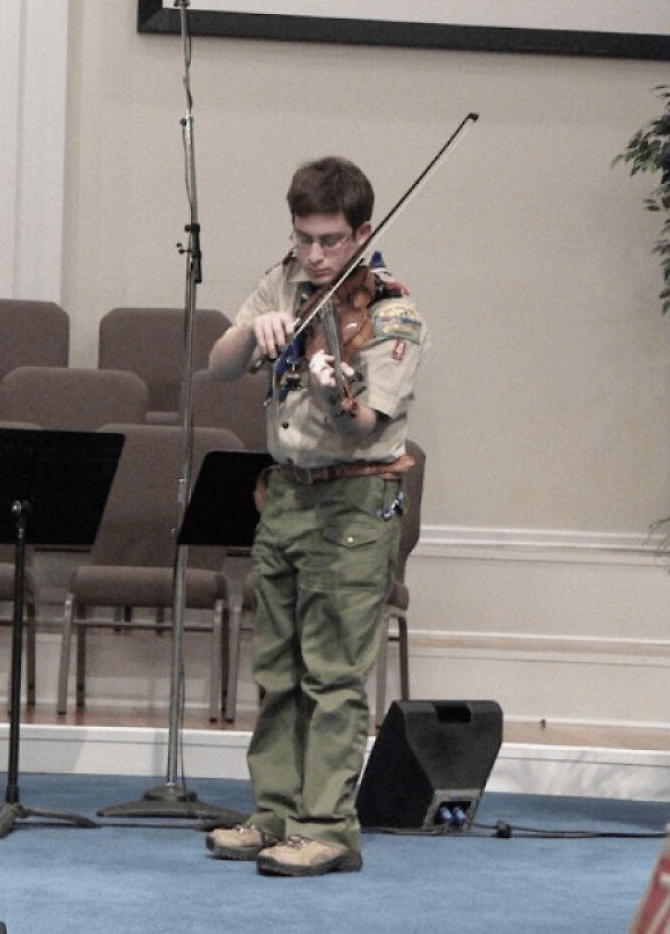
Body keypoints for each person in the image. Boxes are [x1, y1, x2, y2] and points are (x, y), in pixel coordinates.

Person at [206, 156, 428, 877]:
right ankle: (273, 812)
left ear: (362, 233)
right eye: (304, 237)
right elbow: (217, 365)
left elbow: (368, 423)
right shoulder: (285, 281)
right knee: (276, 667)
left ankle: (327, 826)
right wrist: (257, 330)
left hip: (355, 500)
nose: (315, 254)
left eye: (330, 240)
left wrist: (339, 392)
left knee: (333, 674)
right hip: (288, 494)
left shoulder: (393, 308)